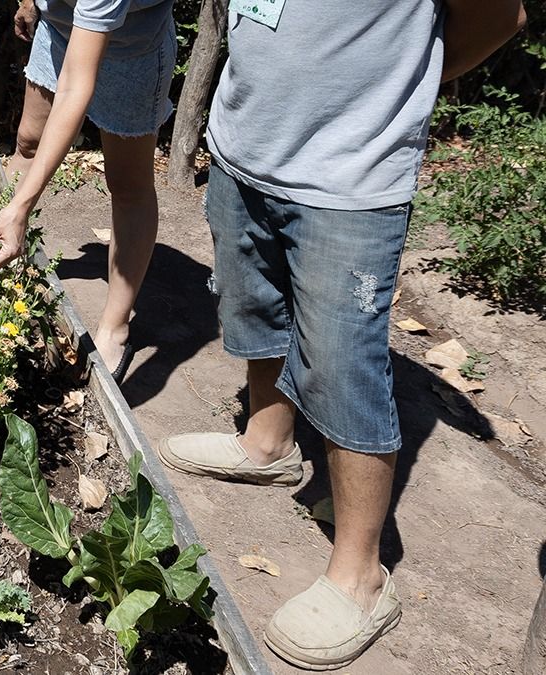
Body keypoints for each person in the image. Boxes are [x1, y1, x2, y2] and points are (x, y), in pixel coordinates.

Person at [156, 0, 526, 669]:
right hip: (246, 146)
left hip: (350, 172)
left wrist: (399, 86)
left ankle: (361, 574)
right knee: (253, 304)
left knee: (341, 361)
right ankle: (267, 443)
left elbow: (499, 16)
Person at [0, 0, 177, 382]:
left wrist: (20, 208)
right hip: (60, 30)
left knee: (127, 183)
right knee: (29, 144)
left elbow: (73, 89)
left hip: (131, 51)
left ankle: (115, 328)